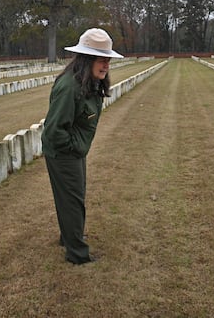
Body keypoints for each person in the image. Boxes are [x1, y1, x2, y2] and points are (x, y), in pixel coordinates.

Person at [41, 28, 124, 264]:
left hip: (74, 150)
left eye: (108, 60)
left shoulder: (89, 83)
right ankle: (77, 252)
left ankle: (69, 236)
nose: (106, 65)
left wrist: (78, 146)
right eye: (101, 59)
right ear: (86, 59)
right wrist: (75, 146)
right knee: (72, 199)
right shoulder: (69, 87)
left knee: (73, 197)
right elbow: (54, 130)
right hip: (63, 153)